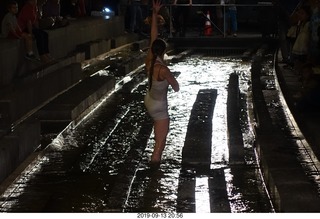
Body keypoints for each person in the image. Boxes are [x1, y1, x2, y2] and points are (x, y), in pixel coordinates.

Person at [144, 0, 180, 166]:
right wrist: (173, 79)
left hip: (149, 100)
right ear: (164, 51)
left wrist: (154, 13)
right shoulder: (164, 70)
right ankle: (154, 169)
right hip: (159, 106)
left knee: (159, 133)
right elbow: (176, 87)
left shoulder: (149, 61)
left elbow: (153, 36)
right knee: (160, 142)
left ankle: (155, 160)